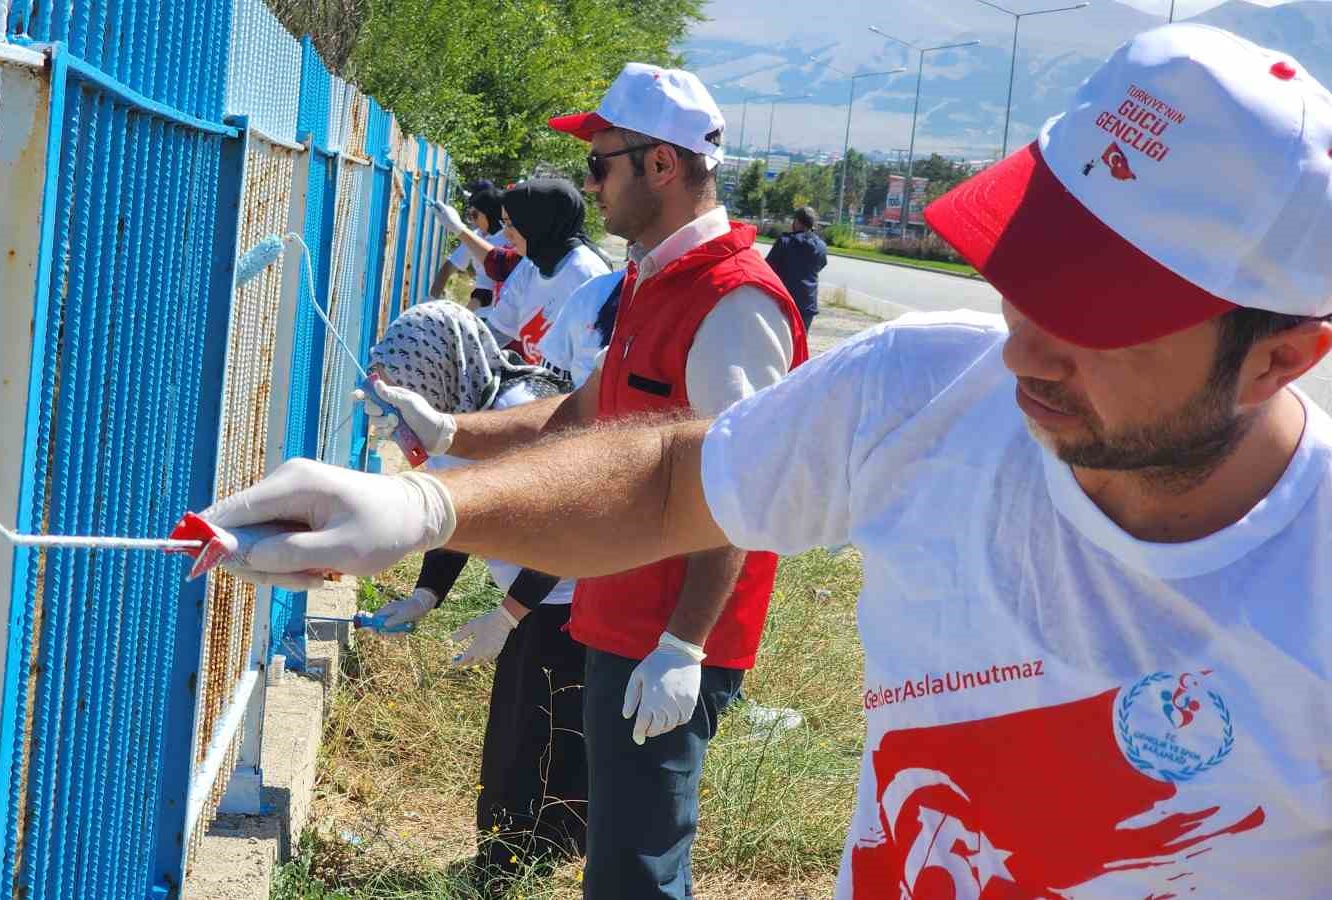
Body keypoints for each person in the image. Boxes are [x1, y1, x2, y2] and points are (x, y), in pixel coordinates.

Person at [203, 26, 1332, 898]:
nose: (1025, 345)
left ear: (1277, 357)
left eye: (1098, 313)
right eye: (1022, 275)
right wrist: (422, 504)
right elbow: (666, 475)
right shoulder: (920, 391)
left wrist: (683, 643)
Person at [360, 63, 807, 897]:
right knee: (613, 862)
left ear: (662, 167)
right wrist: (453, 431)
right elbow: (577, 415)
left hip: (668, 635)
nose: (590, 185)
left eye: (602, 164)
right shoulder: (649, 278)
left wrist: (684, 645)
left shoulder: (734, 303)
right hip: (617, 612)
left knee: (636, 873)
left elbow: (745, 487)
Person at [360, 301, 588, 881]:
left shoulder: (515, 414)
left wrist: (508, 617)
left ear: (441, 371)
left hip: (566, 602)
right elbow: (464, 515)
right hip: (537, 604)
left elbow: (567, 535)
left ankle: (511, 867)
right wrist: (424, 596)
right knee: (529, 736)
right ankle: (531, 857)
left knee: (531, 744)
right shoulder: (463, 410)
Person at [449, 178, 611, 365]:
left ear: (537, 222)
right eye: (504, 224)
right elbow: (496, 334)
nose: (507, 235)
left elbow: (589, 372)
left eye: (511, 224)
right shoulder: (530, 266)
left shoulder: (587, 276)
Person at [428, 187, 511, 310]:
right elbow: (448, 268)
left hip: (499, 313)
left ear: (488, 213)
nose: (472, 220)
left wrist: (465, 314)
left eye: (475, 215)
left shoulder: (509, 239)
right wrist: (431, 299)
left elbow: (487, 290)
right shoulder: (476, 235)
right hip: (479, 308)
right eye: (470, 215)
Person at [765, 205, 827, 331]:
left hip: (785, 302)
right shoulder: (821, 246)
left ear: (797, 222)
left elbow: (768, 269)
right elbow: (821, 265)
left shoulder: (785, 241)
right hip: (807, 303)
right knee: (801, 344)